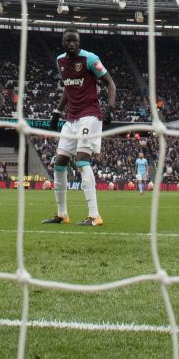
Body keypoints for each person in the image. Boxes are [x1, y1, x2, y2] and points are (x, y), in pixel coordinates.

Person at [42, 28, 117, 227]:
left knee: (82, 161)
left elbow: (110, 83)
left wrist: (110, 108)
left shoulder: (90, 59)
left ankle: (95, 216)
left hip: (90, 116)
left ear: (79, 41)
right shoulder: (60, 61)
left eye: (75, 40)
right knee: (59, 163)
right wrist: (57, 113)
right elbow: (68, 88)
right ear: (63, 43)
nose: (72, 43)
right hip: (71, 119)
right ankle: (62, 214)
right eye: (69, 40)